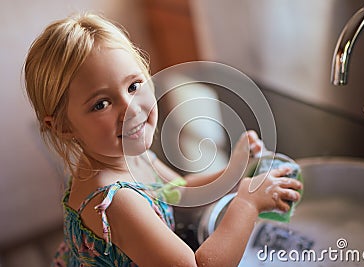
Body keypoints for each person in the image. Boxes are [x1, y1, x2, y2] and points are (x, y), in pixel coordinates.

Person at [24, 12, 302, 267]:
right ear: (62, 126)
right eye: (101, 104)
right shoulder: (117, 201)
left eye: (134, 86)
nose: (131, 108)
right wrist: (247, 204)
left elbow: (176, 191)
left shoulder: (128, 154)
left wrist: (235, 172)